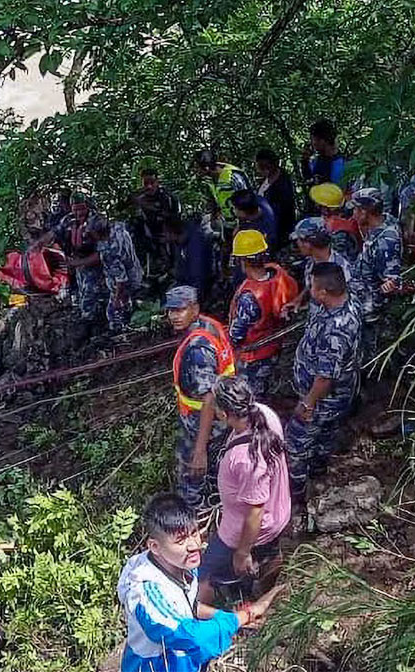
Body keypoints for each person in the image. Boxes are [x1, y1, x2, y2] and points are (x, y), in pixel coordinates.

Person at [117, 492, 282, 672]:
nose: (194, 545)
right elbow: (193, 638)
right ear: (155, 546)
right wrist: (241, 617)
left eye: (194, 533)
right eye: (180, 541)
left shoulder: (178, 564)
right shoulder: (146, 594)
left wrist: (223, 616)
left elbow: (187, 606)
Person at [198, 376, 291, 605]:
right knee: (266, 556)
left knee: (206, 578)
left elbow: (255, 511)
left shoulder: (246, 459)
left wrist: (242, 552)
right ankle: (256, 594)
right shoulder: (264, 414)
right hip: (277, 514)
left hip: (247, 530)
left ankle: (210, 617)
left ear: (223, 414)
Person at [286, 263, 361, 499]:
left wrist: (307, 403)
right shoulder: (347, 302)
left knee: (294, 445)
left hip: (322, 399)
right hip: (339, 394)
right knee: (326, 433)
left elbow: (325, 378)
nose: (309, 289)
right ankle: (318, 471)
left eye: (312, 287)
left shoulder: (335, 332)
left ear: (323, 293)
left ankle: (295, 494)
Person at [166, 285, 237, 512]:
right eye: (171, 311)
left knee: (192, 476)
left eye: (180, 310)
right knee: (216, 469)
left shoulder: (198, 350)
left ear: (195, 309)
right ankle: (216, 506)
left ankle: (192, 516)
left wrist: (199, 450)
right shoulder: (210, 326)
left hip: (202, 423)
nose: (174, 316)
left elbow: (208, 397)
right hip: (221, 417)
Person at [228, 231, 299, 397]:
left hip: (253, 355)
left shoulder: (249, 297)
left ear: (243, 261)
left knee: (249, 398)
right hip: (273, 345)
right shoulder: (278, 275)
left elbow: (236, 336)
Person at [350, 188, 404, 364]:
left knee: (371, 353)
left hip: (373, 308)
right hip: (366, 299)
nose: (353, 214)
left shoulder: (385, 242)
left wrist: (383, 290)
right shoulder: (384, 222)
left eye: (356, 209)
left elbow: (392, 281)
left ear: (365, 212)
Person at [34, 193, 106, 319]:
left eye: (82, 209)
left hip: (95, 264)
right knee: (81, 293)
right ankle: (86, 316)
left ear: (87, 207)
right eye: (75, 209)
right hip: (78, 262)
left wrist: (77, 263)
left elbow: (103, 253)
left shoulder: (97, 222)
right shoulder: (69, 220)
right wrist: (38, 244)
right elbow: (54, 233)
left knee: (92, 296)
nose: (79, 213)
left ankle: (92, 320)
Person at [69, 214, 144, 332]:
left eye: (91, 233)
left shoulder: (110, 253)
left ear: (98, 233)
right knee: (125, 301)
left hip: (124, 282)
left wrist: (117, 299)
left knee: (114, 313)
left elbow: (121, 280)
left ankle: (121, 331)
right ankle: (127, 319)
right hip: (135, 270)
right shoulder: (118, 229)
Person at [283, 218, 352, 321]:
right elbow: (312, 285)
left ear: (308, 244)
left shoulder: (341, 272)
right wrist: (299, 299)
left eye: (299, 239)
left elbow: (343, 309)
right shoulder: (311, 262)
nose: (297, 243)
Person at [133, 168, 181, 274]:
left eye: (152, 182)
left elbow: (175, 217)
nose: (149, 186)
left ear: (157, 182)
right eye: (146, 183)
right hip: (148, 236)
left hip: (168, 233)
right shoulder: (139, 197)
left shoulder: (167, 197)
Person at [194, 149, 253, 228]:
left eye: (197, 168)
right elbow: (215, 197)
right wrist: (214, 213)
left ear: (206, 168)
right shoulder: (209, 179)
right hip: (227, 223)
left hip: (243, 223)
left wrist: (241, 225)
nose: (196, 170)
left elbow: (248, 201)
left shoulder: (232, 177)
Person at [163, 216, 214, 304]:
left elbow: (198, 274)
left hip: (194, 291)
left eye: (165, 233)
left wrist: (193, 300)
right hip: (187, 287)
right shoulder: (180, 243)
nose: (164, 236)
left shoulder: (196, 244)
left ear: (171, 232)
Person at [255, 149, 297, 250]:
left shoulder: (282, 184)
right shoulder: (266, 179)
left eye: (265, 166)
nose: (262, 170)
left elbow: (281, 211)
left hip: (279, 232)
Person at [309, 183, 360, 262]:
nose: (316, 206)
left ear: (325, 208)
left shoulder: (338, 229)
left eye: (318, 204)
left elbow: (339, 258)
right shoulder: (346, 220)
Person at [300, 119, 346, 187]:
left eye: (313, 139)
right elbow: (309, 181)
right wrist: (304, 162)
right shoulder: (314, 162)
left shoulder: (344, 164)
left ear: (322, 140)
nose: (313, 143)